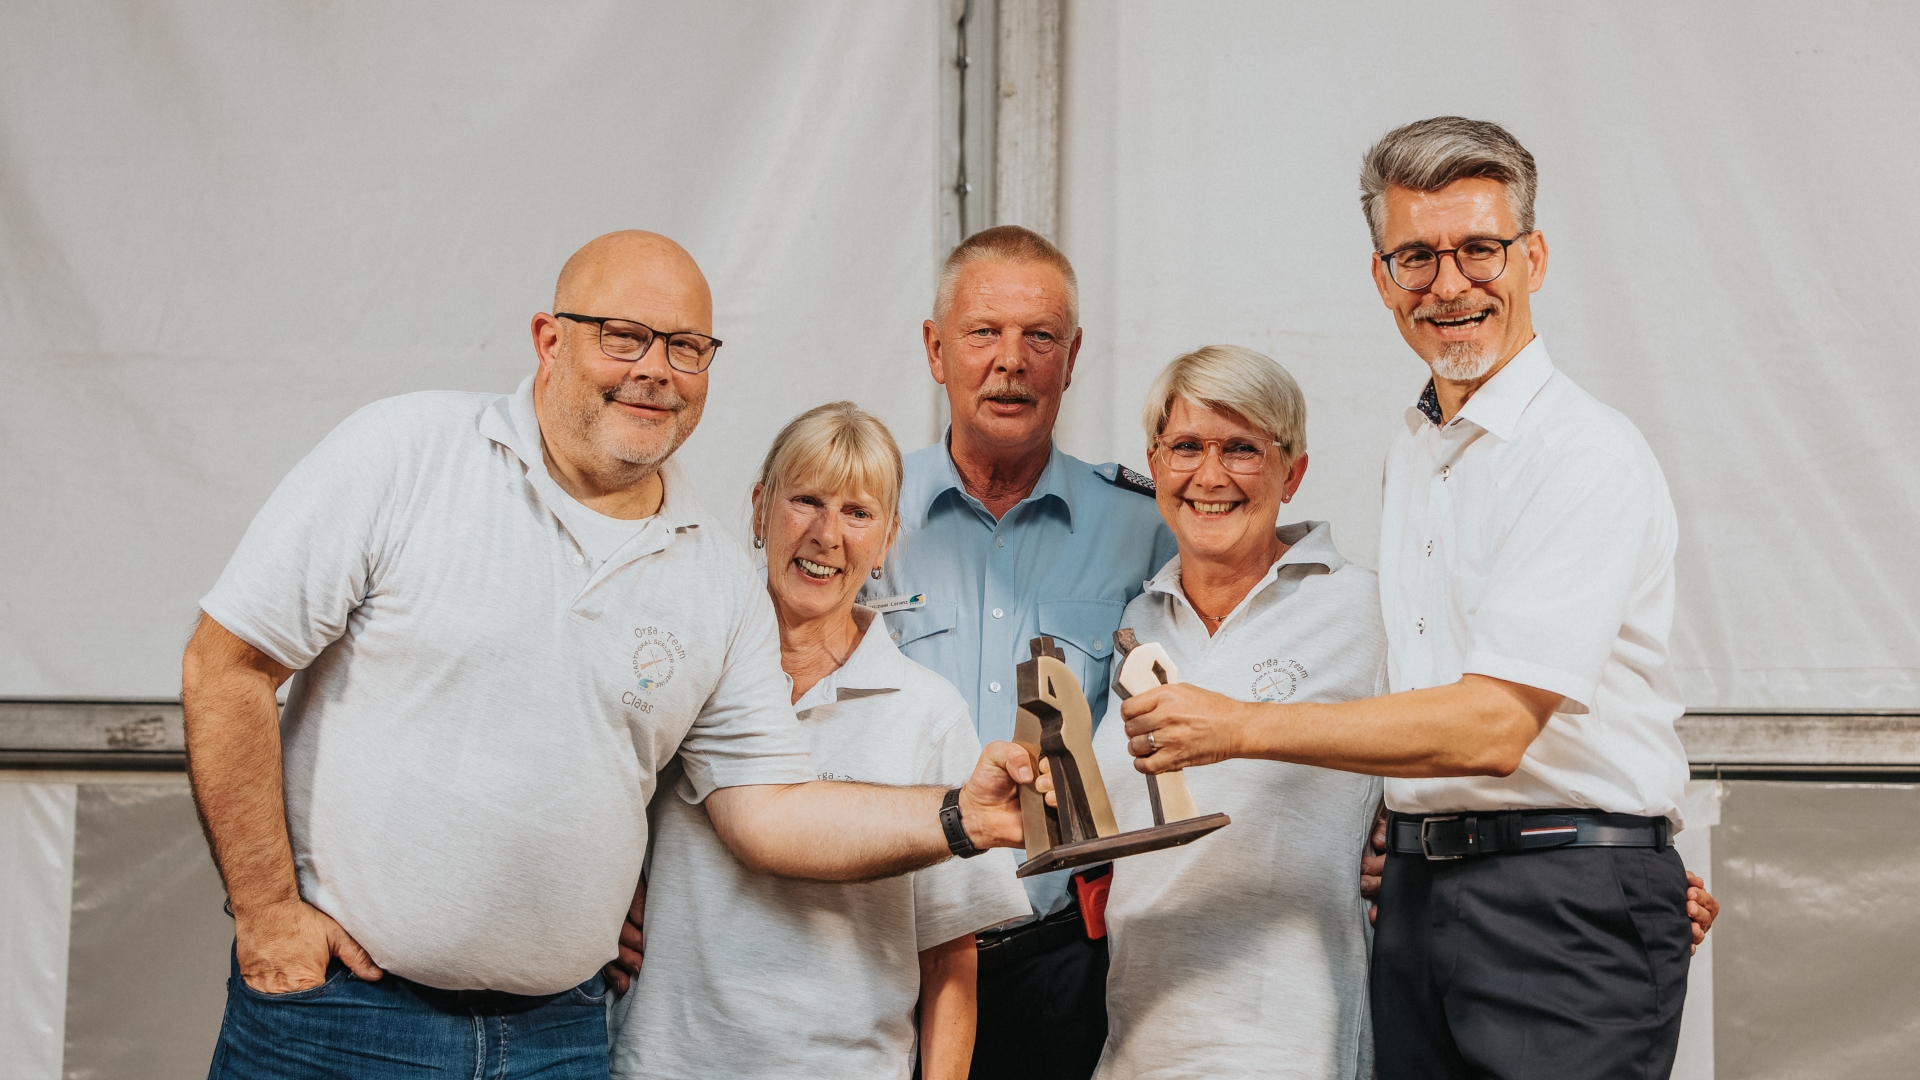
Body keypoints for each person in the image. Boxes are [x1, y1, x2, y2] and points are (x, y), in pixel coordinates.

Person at [182, 230, 1034, 1080]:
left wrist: (961, 815)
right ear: (549, 340)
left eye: (687, 348)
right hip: (343, 1017)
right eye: (623, 336)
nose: (656, 369)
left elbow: (767, 809)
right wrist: (265, 915)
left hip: (559, 1042)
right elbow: (227, 665)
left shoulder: (714, 576)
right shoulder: (407, 454)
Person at [1113, 118, 1718, 1078]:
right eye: (1416, 257)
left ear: (1535, 258)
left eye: (1478, 249)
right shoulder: (1419, 452)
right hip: (1427, 895)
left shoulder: (1584, 454)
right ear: (1381, 279)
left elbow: (1491, 729)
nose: (1449, 284)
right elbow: (1425, 720)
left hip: (1559, 896)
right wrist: (1405, 833)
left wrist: (1236, 725)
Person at [607, 402, 1030, 1079]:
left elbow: (951, 955)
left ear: (889, 537)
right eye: (806, 500)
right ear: (758, 509)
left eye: (858, 512)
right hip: (665, 1063)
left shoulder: (927, 712)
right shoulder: (676, 664)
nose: (828, 534)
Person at [863, 226, 1177, 1078]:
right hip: (884, 958)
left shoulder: (1147, 528)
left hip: (1063, 966)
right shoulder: (858, 513)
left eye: (1040, 337)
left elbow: (1216, 704)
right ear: (935, 349)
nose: (1012, 361)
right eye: (982, 333)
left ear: (1072, 360)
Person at [1086, 345, 1387, 1079]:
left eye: (1242, 448)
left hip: (1293, 1046)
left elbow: (1482, 745)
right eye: (1186, 446)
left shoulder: (1369, 609)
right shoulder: (1135, 619)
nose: (1210, 476)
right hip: (1138, 1042)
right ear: (1154, 464)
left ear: (1294, 472)